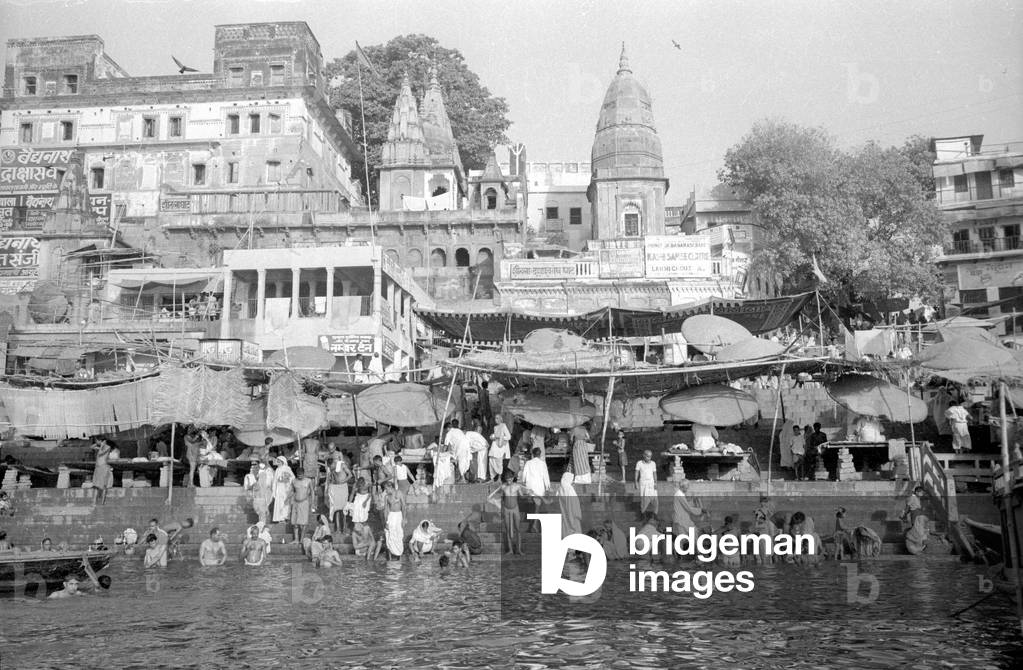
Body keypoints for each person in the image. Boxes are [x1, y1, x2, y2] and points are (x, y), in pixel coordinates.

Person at [521, 447, 550, 532]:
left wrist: (523, 482)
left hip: (531, 486)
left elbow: (524, 475)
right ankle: (534, 524)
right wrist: (547, 486)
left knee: (536, 505)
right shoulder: (542, 463)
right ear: (540, 454)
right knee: (537, 506)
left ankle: (534, 524)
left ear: (532, 454)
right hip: (539, 487)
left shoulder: (528, 463)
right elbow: (546, 476)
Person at [672, 480, 703, 551]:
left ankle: (696, 553)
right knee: (684, 538)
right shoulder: (679, 494)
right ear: (682, 487)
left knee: (685, 538)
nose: (687, 489)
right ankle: (698, 553)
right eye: (686, 487)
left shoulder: (680, 494)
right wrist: (700, 510)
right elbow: (688, 507)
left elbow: (686, 504)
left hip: (683, 520)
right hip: (681, 520)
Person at [326, 453, 353, 534]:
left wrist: (343, 481)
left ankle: (344, 529)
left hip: (343, 487)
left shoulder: (342, 465)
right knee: (336, 509)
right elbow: (332, 478)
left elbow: (350, 475)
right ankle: (338, 529)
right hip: (336, 488)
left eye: (332, 467)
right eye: (330, 467)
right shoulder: (331, 468)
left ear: (334, 464)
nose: (331, 468)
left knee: (344, 509)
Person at [382, 481, 405, 560]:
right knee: (389, 535)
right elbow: (385, 510)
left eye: (386, 489)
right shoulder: (386, 497)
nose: (385, 491)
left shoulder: (399, 493)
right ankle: (390, 557)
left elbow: (404, 506)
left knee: (399, 535)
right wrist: (386, 522)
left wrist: (404, 519)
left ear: (390, 487)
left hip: (399, 515)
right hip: (391, 516)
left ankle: (399, 556)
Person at [290, 468, 313, 544]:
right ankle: (296, 539)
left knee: (303, 523)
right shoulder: (294, 481)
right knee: (295, 523)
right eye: (298, 475)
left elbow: (312, 492)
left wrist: (313, 503)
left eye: (301, 475)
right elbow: (292, 491)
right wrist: (289, 501)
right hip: (296, 503)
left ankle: (301, 539)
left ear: (304, 474)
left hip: (304, 503)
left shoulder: (308, 481)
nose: (299, 476)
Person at [271, 456, 294, 529]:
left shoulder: (288, 469)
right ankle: (280, 518)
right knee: (279, 503)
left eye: (279, 461)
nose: (278, 463)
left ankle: (286, 517)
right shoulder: (277, 469)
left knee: (286, 503)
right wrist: (274, 490)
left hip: (286, 489)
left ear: (283, 461)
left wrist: (288, 484)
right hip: (279, 489)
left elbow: (292, 478)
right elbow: (274, 481)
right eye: (277, 461)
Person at [556, 471, 581, 536]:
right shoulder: (569, 490)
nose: (572, 482)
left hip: (565, 518)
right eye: (571, 479)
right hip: (573, 518)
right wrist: (576, 516)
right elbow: (573, 505)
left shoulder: (560, 489)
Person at [635, 450, 658, 515]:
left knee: (655, 500)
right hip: (643, 483)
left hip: (652, 483)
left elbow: (654, 473)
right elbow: (636, 472)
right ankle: (643, 514)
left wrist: (656, 483)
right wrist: (636, 482)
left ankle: (655, 515)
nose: (649, 458)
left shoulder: (653, 463)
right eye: (647, 456)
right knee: (644, 500)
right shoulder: (639, 463)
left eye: (650, 456)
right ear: (644, 455)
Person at [489, 415, 511, 482]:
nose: (496, 419)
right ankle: (492, 478)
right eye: (495, 418)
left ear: (501, 419)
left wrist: (500, 437)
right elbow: (495, 436)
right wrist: (494, 437)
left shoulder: (503, 426)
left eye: (497, 418)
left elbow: (509, 437)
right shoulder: (495, 427)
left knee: (499, 461)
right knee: (491, 459)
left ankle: (499, 478)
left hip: (501, 446)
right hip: (495, 445)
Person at [91, 438, 113, 505]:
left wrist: (102, 445)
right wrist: (97, 443)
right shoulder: (100, 447)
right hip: (98, 468)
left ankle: (102, 503)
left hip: (104, 467)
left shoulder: (107, 447)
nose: (97, 442)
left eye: (97, 440)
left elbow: (100, 453)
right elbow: (91, 447)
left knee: (103, 486)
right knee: (96, 486)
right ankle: (94, 502)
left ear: (103, 441)